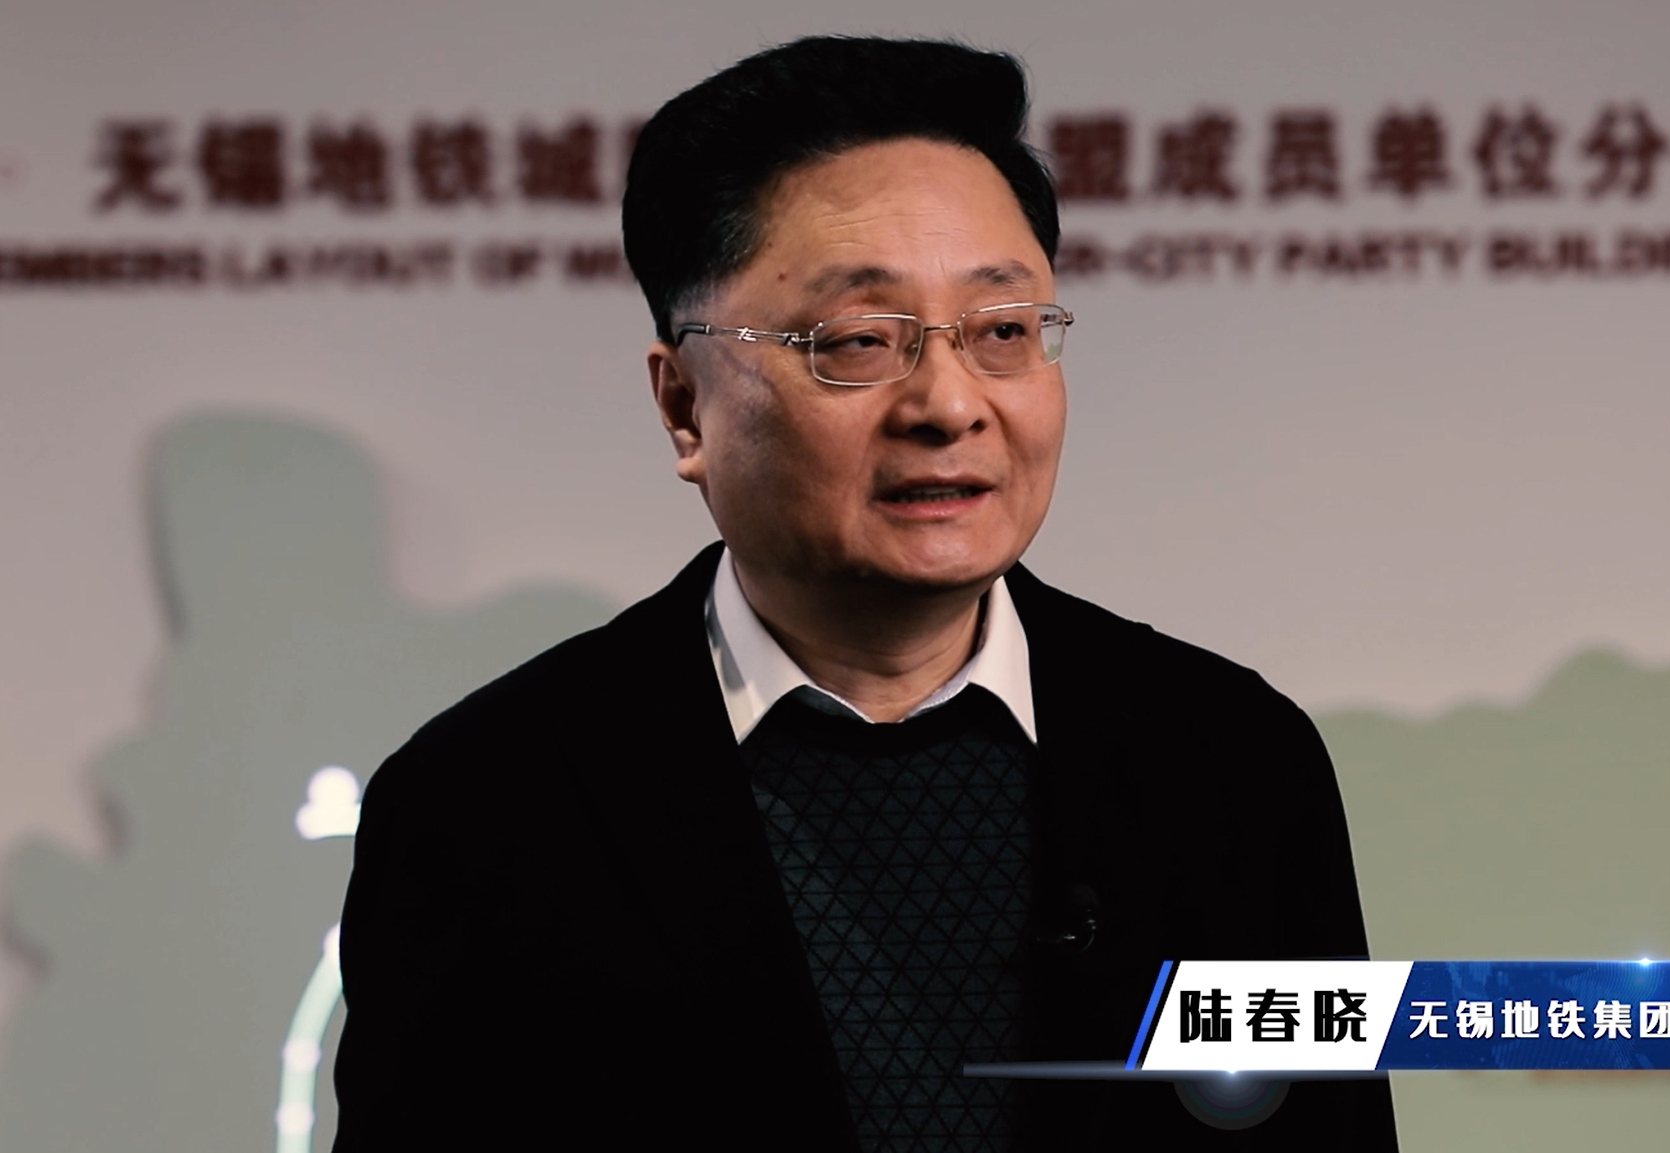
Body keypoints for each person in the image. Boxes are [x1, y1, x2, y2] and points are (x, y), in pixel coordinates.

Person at [331, 35, 1397, 1151]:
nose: (949, 404)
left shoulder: (1231, 764)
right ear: (684, 405)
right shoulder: (488, 803)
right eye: (858, 341)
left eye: (1002, 332)